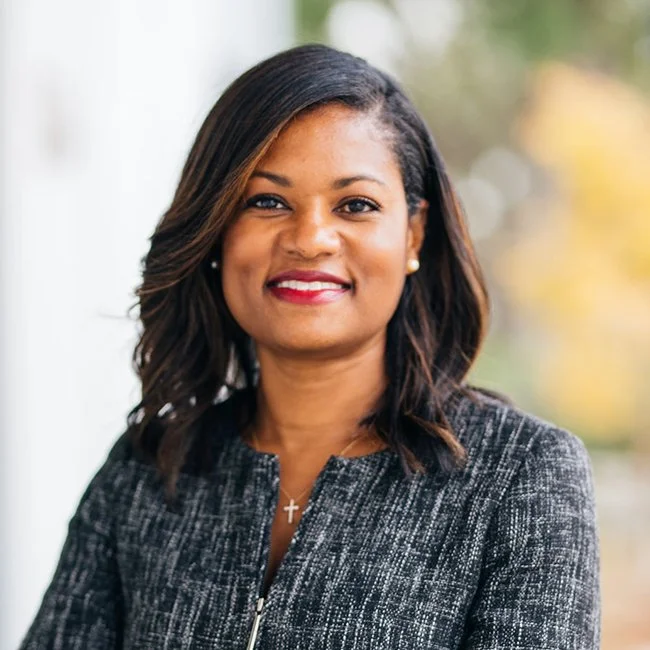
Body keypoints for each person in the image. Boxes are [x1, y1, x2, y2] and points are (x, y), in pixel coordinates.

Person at [20, 44, 600, 649]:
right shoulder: (148, 468)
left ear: (413, 235)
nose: (311, 239)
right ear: (217, 230)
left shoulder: (520, 474)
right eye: (267, 201)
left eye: (356, 205)